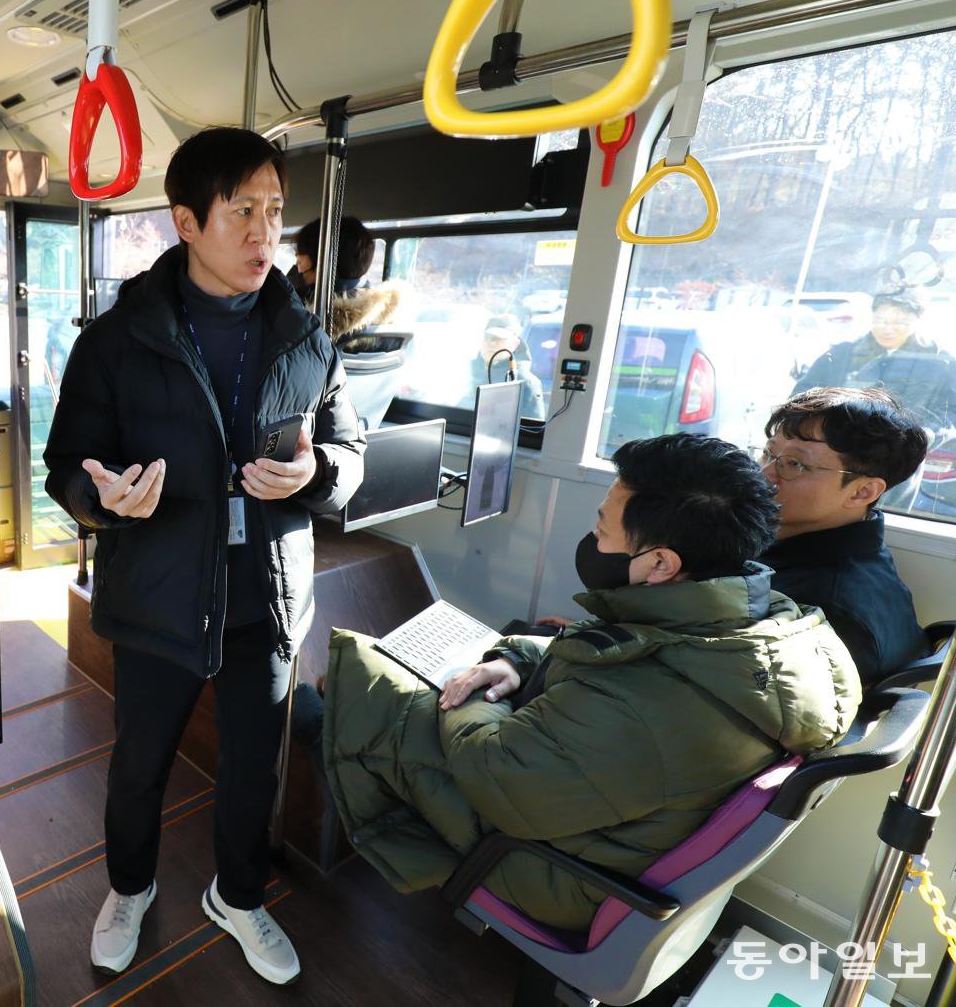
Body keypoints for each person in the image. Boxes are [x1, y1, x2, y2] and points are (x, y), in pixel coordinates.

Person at [296, 433, 859, 932]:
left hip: (554, 866)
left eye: (602, 529)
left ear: (660, 564)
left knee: (355, 684)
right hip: (605, 820)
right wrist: (515, 658)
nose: (593, 538)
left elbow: (498, 777)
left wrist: (463, 684)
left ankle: (306, 812)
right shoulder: (773, 625)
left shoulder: (645, 703)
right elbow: (626, 650)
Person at [43, 126, 366, 985]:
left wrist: (317, 472)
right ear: (186, 222)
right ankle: (130, 886)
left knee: (253, 770)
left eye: (275, 211)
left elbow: (350, 450)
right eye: (241, 211)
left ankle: (239, 894)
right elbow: (67, 462)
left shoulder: (306, 339)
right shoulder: (117, 341)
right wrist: (101, 500)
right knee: (138, 766)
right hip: (160, 593)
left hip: (266, 596)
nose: (265, 232)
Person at [754, 387, 929, 687]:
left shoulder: (816, 609)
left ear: (862, 491)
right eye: (769, 453)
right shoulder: (852, 556)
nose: (766, 473)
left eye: (795, 464)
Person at [793, 291, 956, 433]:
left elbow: (950, 412)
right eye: (881, 320)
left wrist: (925, 434)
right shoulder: (842, 355)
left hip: (903, 449)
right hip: (840, 442)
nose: (888, 329)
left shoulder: (940, 362)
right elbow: (803, 394)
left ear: (918, 320)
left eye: (900, 322)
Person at [465, 313, 546, 421]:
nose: (491, 343)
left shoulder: (525, 383)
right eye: (487, 337)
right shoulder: (466, 372)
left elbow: (532, 429)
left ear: (515, 344)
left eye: (499, 339)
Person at [288, 215, 375, 305]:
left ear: (322, 266)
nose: (298, 270)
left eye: (300, 262)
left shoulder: (310, 309)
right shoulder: (368, 301)